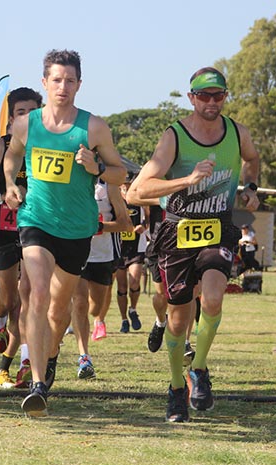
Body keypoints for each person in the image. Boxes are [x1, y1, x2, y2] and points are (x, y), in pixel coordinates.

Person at [126, 67, 260, 422]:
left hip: (218, 228)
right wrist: (187, 180)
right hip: (176, 233)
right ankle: (175, 387)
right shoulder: (175, 136)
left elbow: (253, 160)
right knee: (177, 319)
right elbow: (137, 192)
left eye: (218, 95)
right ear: (192, 98)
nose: (211, 102)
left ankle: (199, 369)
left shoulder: (237, 133)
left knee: (214, 298)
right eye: (204, 96)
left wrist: (250, 189)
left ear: (226, 97)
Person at [3, 50, 127, 417]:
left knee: (59, 310)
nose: (63, 86)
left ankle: (52, 353)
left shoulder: (93, 128)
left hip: (76, 228)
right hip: (36, 220)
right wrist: (11, 182)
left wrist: (97, 165)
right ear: (45, 83)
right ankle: (38, 384)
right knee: (38, 295)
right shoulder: (27, 124)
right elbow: (12, 154)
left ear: (79, 85)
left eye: (70, 80)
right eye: (56, 80)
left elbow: (120, 174)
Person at [0, 87, 43, 387]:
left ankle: (24, 364)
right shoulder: (3, 144)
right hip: (1, 232)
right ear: (12, 118)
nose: (28, 118)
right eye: (21, 112)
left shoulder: (48, 144)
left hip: (35, 230)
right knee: (9, 300)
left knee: (28, 300)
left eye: (33, 111)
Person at [70, 180, 130, 379]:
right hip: (78, 252)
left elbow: (126, 225)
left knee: (94, 308)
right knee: (79, 302)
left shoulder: (109, 188)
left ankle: (91, 323)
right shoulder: (71, 183)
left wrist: (99, 226)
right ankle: (84, 357)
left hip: (104, 256)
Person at [115, 178, 147, 334]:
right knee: (121, 287)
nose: (127, 191)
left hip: (136, 248)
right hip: (119, 249)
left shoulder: (140, 201)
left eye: (129, 187)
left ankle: (133, 309)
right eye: (124, 188)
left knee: (134, 282)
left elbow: (148, 219)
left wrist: (143, 226)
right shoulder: (114, 202)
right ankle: (124, 320)